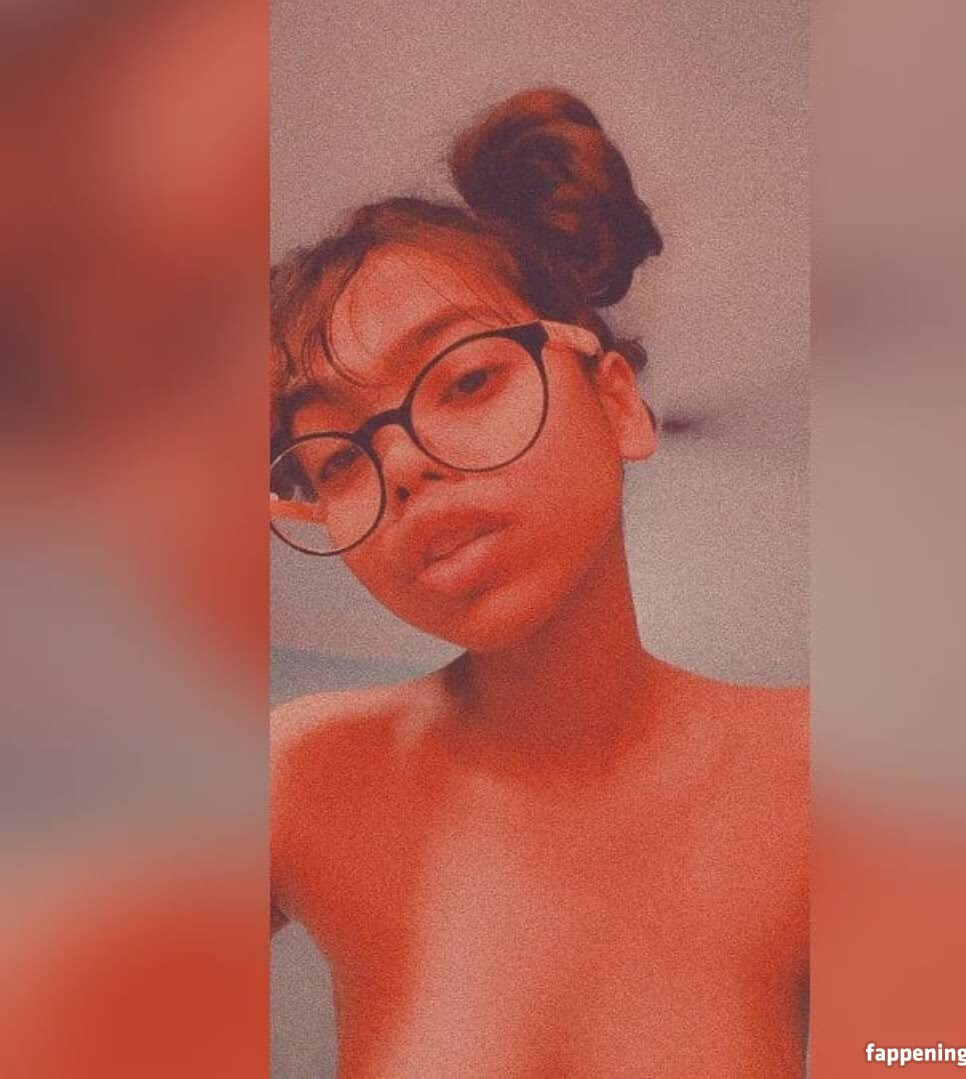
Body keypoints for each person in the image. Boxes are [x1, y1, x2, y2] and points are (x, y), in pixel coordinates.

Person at [270, 88, 808, 1078]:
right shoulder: (300, 774)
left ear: (618, 406)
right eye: (337, 455)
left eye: (469, 380)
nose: (402, 463)